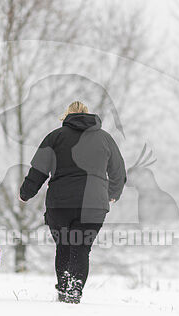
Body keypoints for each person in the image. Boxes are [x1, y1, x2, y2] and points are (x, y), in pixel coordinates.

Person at [18, 101, 126, 303]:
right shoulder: (105, 139)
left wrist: (26, 193)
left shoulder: (55, 137)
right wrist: (113, 193)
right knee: (81, 248)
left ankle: (64, 288)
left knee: (64, 246)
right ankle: (74, 289)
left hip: (61, 204)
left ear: (66, 116)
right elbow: (118, 171)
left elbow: (38, 170)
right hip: (94, 204)